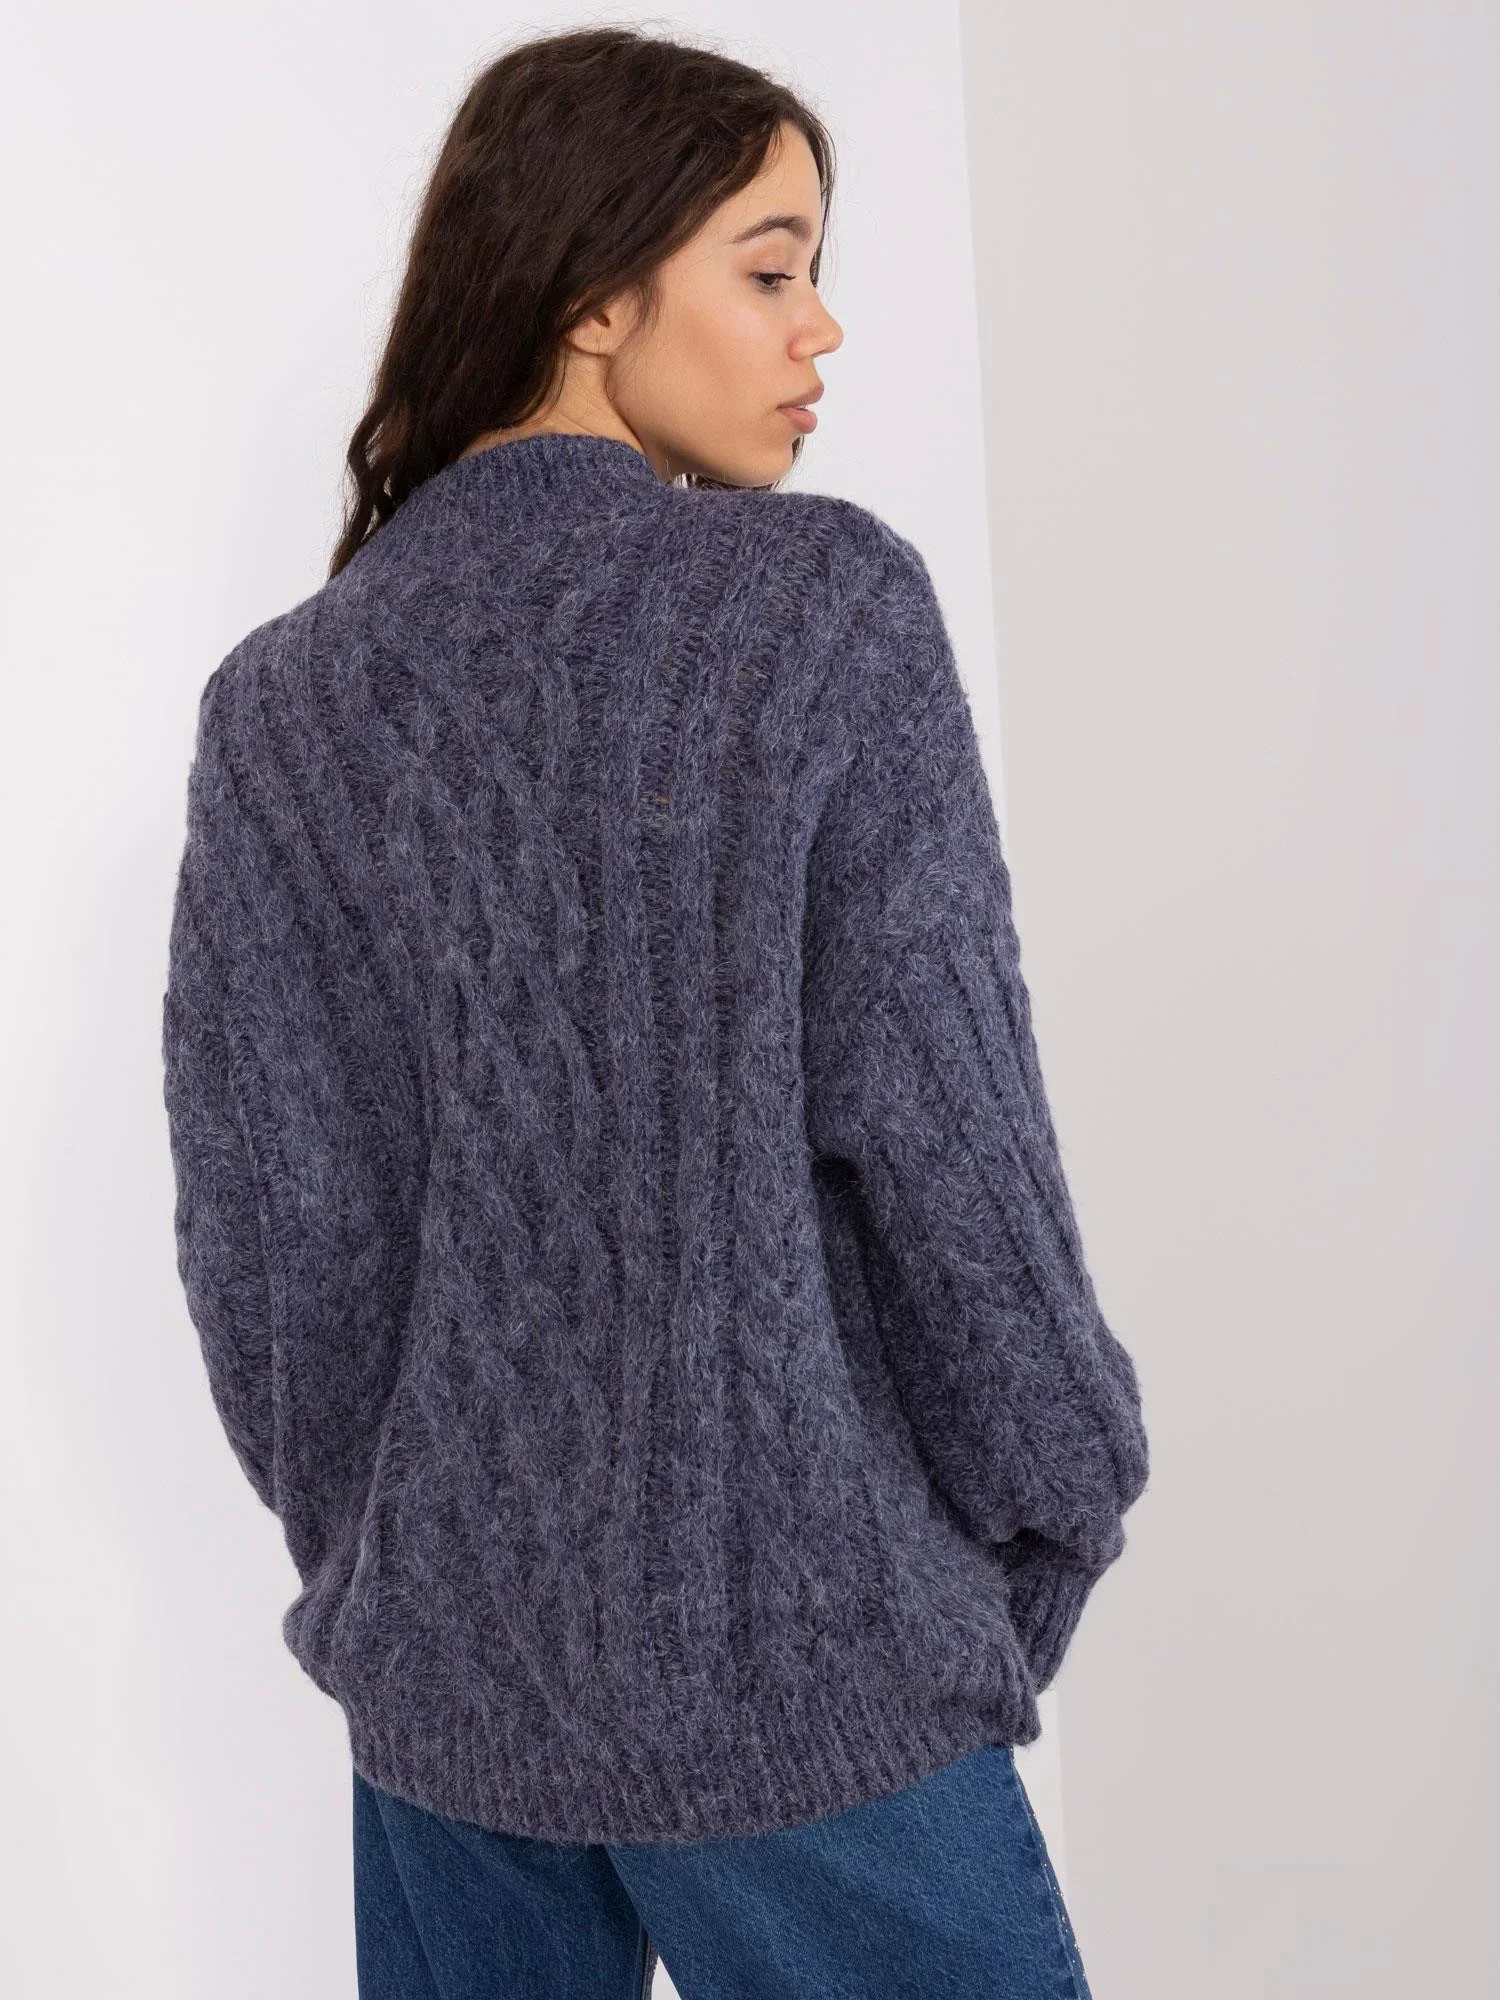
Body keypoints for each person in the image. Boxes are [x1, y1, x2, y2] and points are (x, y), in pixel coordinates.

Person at [160, 25, 1150, 1999]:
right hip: (804, 1661)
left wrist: (404, 1579)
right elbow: (950, 1140)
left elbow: (273, 1250)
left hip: (444, 1707)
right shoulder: (818, 608)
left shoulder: (282, 702)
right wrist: (1057, 1499)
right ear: (594, 295)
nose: (821, 328)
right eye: (770, 269)